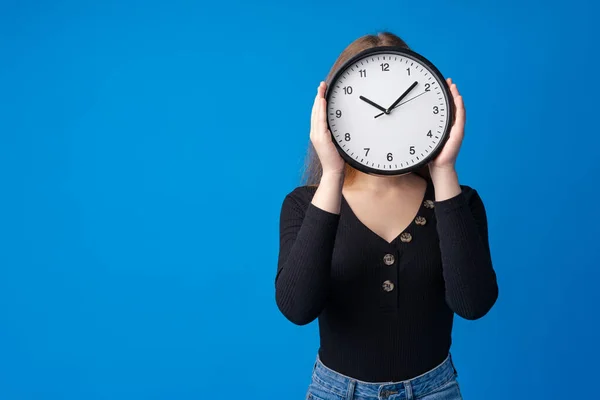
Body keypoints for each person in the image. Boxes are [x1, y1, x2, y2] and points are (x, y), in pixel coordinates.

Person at [275, 32, 499, 400]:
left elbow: (472, 304)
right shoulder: (304, 205)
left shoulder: (460, 201)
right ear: (333, 115)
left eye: (401, 105)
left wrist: (444, 170)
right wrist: (331, 174)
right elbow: (297, 308)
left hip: (435, 391)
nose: (385, 118)